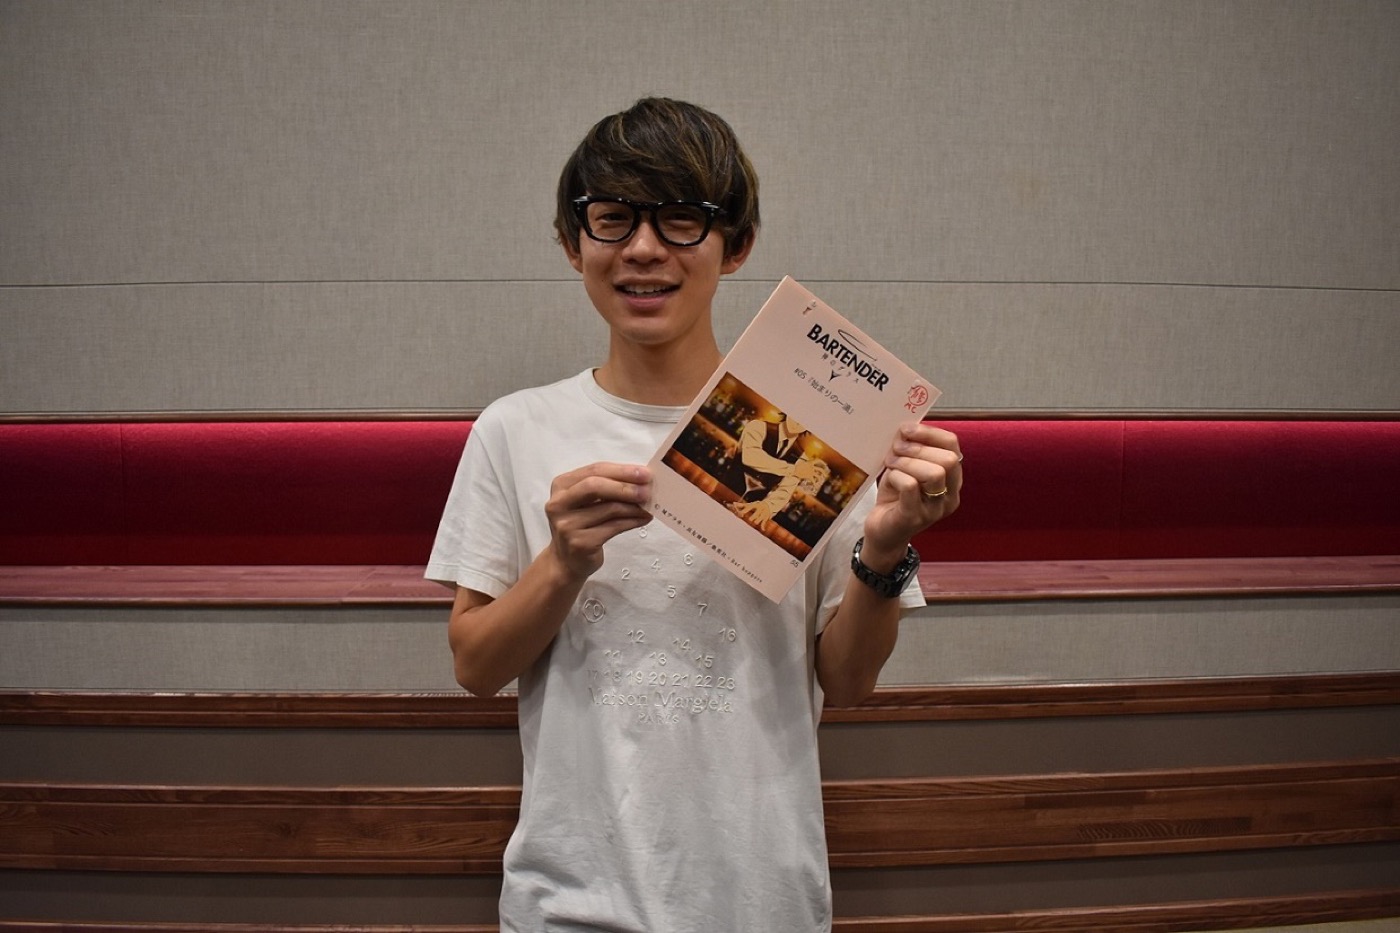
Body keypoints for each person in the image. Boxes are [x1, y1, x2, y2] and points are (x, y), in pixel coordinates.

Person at [426, 97, 962, 932]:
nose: (643, 249)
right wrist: (562, 564)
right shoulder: (515, 428)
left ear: (735, 244)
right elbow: (474, 664)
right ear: (572, 243)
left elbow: (850, 682)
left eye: (681, 220)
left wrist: (886, 550)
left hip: (762, 897)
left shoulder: (814, 436)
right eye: (612, 219)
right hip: (569, 900)